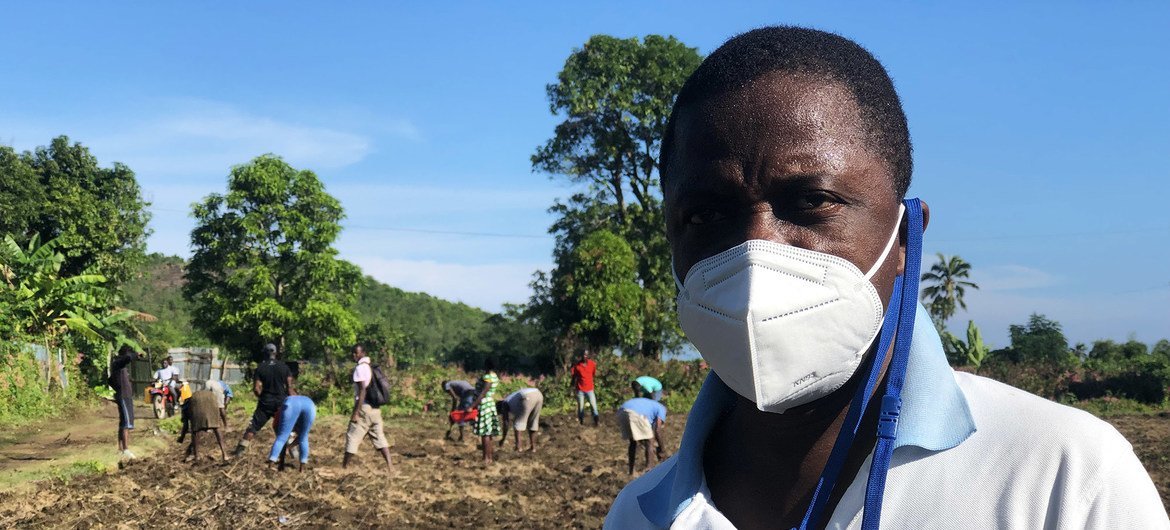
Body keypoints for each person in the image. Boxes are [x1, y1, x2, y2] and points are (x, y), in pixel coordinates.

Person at [606, 26, 1168, 529]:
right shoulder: (640, 513)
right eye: (706, 215)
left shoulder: (1061, 477)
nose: (757, 251)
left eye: (812, 201)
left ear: (904, 239)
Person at [232, 343, 295, 457]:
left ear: (265, 354)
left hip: (265, 402)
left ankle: (239, 452)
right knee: (286, 428)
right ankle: (294, 454)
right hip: (281, 402)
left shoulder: (260, 368)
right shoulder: (284, 367)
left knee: (253, 427)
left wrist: (263, 397)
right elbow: (290, 388)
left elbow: (256, 389)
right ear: (275, 353)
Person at [342, 345, 393, 472]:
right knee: (380, 437)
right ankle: (390, 466)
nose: (354, 355)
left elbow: (362, 390)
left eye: (356, 353)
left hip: (364, 408)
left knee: (352, 437)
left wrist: (356, 412)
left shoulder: (360, 368)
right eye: (353, 353)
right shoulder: (372, 367)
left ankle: (344, 467)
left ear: (363, 353)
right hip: (375, 410)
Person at [616, 396, 667, 475]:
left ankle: (631, 470)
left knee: (633, 442)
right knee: (649, 441)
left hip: (621, 412)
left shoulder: (650, 404)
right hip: (635, 414)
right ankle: (649, 469)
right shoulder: (661, 408)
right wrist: (662, 450)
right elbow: (657, 430)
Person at [177, 388, 228, 462]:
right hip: (212, 399)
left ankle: (196, 456)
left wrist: (181, 437)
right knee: (216, 427)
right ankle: (225, 454)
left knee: (195, 430)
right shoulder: (197, 397)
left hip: (205, 401)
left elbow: (186, 426)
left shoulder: (186, 405)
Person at [268, 395, 316, 472]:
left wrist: (289, 446)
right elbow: (300, 438)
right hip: (310, 405)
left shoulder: (280, 413)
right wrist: (290, 446)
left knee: (281, 437)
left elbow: (279, 434)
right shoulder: (297, 423)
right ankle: (302, 468)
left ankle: (271, 465)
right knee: (304, 438)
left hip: (291, 404)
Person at [109, 345, 139, 459]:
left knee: (123, 423)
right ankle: (126, 449)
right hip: (124, 396)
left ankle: (121, 449)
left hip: (125, 396)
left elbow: (110, 380)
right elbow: (127, 358)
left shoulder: (121, 367)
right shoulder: (118, 363)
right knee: (126, 423)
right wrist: (136, 355)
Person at [495, 387, 544, 453]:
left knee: (518, 422)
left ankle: (518, 447)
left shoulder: (504, 404)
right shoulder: (511, 400)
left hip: (526, 397)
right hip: (538, 394)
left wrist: (503, 439)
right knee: (533, 422)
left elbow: (506, 423)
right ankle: (533, 448)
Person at [471, 359, 500, 463]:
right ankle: (489, 457)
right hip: (490, 404)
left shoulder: (488, 377)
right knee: (488, 433)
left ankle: (486, 458)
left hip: (484, 405)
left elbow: (483, 393)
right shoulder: (494, 376)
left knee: (485, 433)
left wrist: (472, 406)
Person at [570, 350, 599, 426]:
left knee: (593, 406)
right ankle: (581, 422)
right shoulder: (577, 366)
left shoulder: (592, 364)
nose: (584, 357)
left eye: (586, 355)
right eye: (583, 355)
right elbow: (574, 377)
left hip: (590, 389)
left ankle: (596, 422)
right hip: (580, 390)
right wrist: (572, 386)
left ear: (588, 356)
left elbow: (593, 374)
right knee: (581, 407)